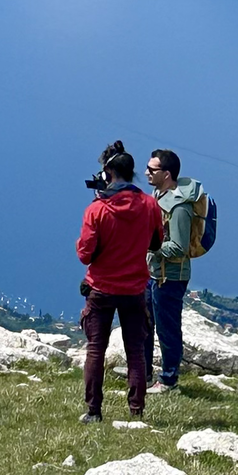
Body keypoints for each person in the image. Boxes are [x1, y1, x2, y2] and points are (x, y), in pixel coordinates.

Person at [75, 141, 165, 422]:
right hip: (135, 288)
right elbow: (156, 242)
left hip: (101, 288)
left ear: (109, 172)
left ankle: (93, 411)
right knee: (136, 350)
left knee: (95, 349)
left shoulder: (97, 210)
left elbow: (85, 254)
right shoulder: (150, 204)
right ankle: (136, 411)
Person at [145, 148, 207, 389]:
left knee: (167, 329)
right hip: (153, 274)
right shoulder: (158, 194)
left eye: (152, 169)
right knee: (145, 323)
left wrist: (152, 249)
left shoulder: (179, 207)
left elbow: (179, 247)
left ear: (167, 174)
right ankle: (144, 372)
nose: (146, 172)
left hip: (170, 278)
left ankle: (169, 379)